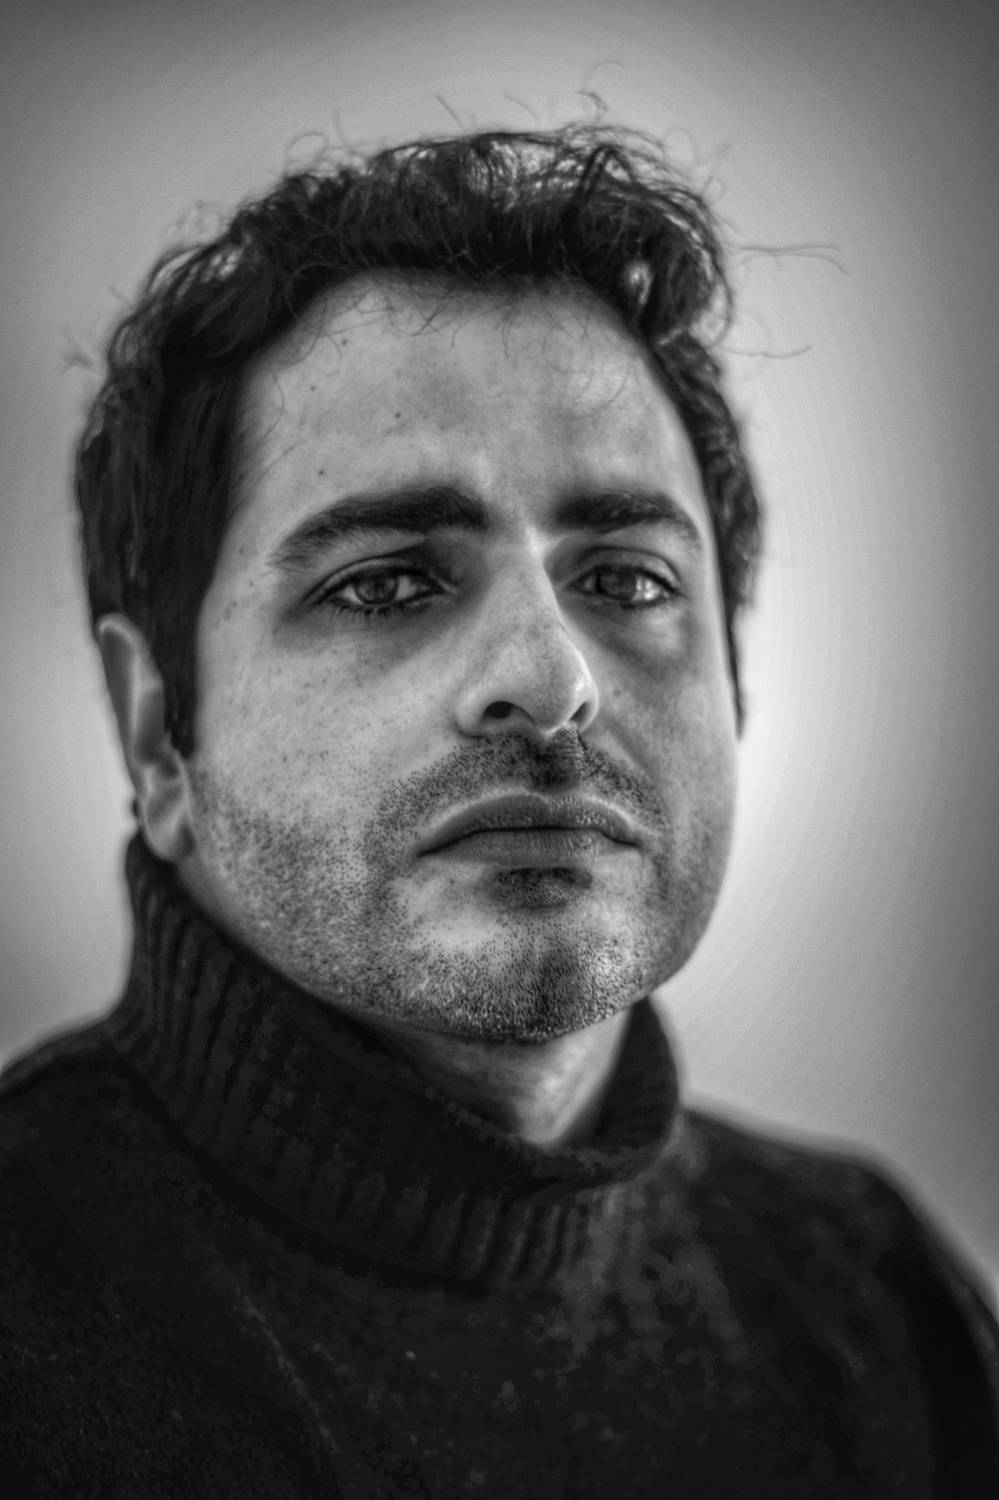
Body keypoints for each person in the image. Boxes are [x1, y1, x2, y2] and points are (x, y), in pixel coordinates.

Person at [1, 124, 996, 1498]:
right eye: (387, 583)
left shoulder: (879, 1305)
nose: (553, 678)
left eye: (629, 579)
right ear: (158, 731)